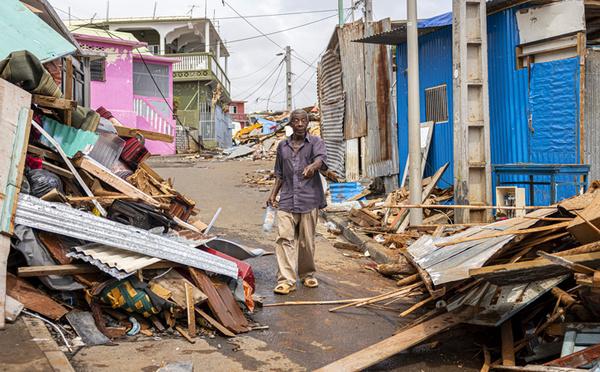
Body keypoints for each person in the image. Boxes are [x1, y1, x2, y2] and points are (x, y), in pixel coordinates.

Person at [267, 109, 328, 295]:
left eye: (303, 120)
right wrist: (273, 194)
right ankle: (286, 280)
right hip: (286, 199)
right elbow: (279, 173)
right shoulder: (282, 146)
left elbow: (321, 160)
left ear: (308, 123)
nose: (300, 124)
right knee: (284, 238)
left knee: (306, 242)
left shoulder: (316, 142)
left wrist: (312, 166)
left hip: (309, 199)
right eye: (296, 120)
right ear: (291, 124)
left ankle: (307, 274)